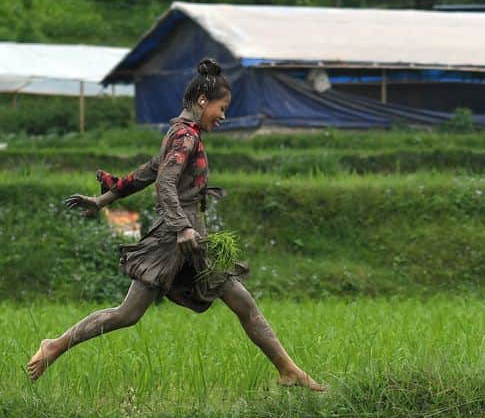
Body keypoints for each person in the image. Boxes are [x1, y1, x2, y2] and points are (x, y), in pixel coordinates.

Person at [26, 58, 325, 391]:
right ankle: (54, 345)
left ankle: (289, 371)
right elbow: (165, 183)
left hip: (191, 237)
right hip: (175, 238)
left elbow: (147, 172)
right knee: (128, 314)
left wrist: (101, 201)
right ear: (202, 101)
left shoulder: (180, 134)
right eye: (221, 108)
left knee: (243, 303)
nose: (223, 117)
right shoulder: (185, 137)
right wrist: (182, 227)